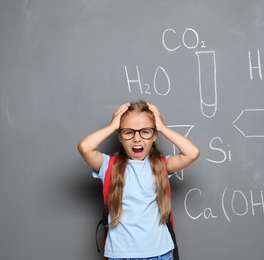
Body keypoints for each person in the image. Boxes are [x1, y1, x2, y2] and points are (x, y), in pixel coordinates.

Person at [78, 100, 200, 260]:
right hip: (120, 254)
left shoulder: (161, 165)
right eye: (128, 132)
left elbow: (192, 152)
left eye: (145, 132)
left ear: (154, 135)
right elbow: (84, 147)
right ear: (120, 137)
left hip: (159, 253)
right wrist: (112, 126)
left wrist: (162, 127)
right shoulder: (109, 166)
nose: (137, 138)